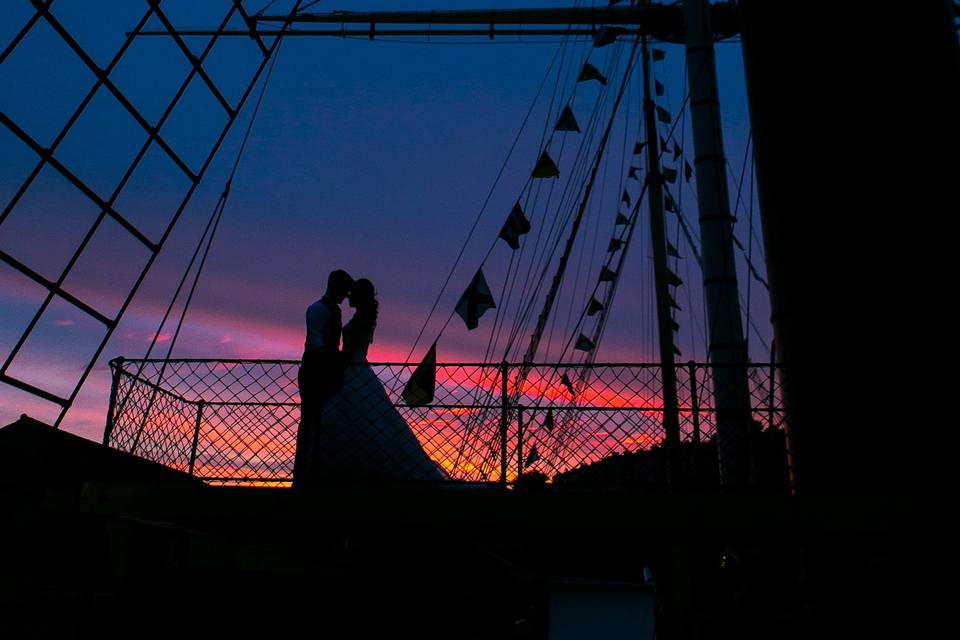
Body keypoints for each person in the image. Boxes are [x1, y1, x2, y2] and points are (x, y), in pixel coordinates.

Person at [314, 278, 446, 482]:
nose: (348, 296)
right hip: (357, 369)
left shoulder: (360, 319)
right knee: (366, 421)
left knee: (351, 418)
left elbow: (350, 350)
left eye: (352, 293)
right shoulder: (363, 316)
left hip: (353, 369)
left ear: (359, 296)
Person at [293, 268, 353, 488]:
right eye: (344, 290)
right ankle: (302, 475)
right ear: (335, 286)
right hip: (314, 371)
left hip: (325, 370)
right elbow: (315, 343)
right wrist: (338, 359)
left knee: (321, 422)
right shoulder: (318, 309)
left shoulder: (329, 310)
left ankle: (314, 471)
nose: (346, 296)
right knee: (309, 421)